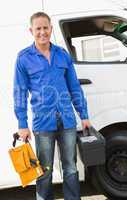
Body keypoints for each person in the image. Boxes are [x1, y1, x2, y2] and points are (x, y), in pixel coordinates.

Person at [13, 11, 91, 200]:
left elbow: (74, 87)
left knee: (71, 167)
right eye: (38, 28)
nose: (42, 32)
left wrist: (84, 115)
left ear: (51, 29)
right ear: (31, 30)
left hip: (67, 120)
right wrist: (22, 124)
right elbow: (20, 92)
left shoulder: (62, 55)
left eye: (45, 28)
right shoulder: (24, 58)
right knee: (44, 170)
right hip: (43, 123)